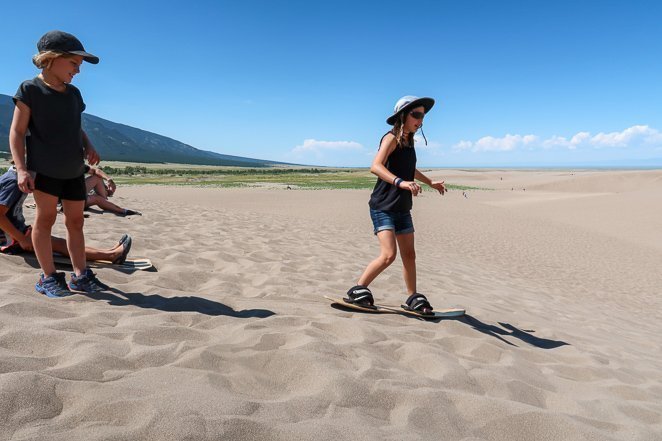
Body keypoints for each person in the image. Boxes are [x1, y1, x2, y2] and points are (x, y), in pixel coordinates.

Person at [9, 30, 108, 298]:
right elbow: (17, 133)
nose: (77, 71)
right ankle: (48, 277)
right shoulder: (30, 89)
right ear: (51, 59)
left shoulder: (74, 94)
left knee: (76, 222)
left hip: (73, 170)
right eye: (74, 63)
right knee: (46, 220)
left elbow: (75, 125)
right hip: (46, 170)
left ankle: (80, 276)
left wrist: (88, 144)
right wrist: (21, 168)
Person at [346, 96, 446, 315]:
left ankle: (412, 297)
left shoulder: (409, 142)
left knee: (409, 255)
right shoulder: (391, 138)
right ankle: (357, 290)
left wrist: (430, 182)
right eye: (416, 115)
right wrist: (400, 182)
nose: (421, 120)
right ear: (403, 115)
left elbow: (410, 169)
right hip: (383, 206)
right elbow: (375, 166)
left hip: (402, 208)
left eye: (423, 116)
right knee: (389, 255)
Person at [0, 165, 132, 264]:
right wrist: (21, 239)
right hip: (9, 239)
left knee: (58, 242)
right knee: (59, 244)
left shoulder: (16, 176)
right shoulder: (13, 181)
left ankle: (109, 251)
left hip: (16, 231)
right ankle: (112, 255)